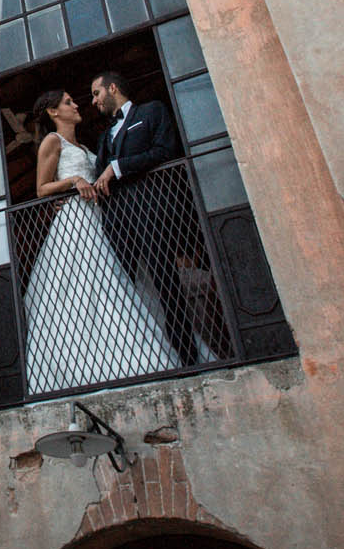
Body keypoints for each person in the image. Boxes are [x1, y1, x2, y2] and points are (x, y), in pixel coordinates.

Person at [20, 89, 174, 393]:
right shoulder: (53, 141)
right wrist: (73, 181)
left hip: (99, 218)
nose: (76, 105)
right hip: (76, 221)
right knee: (88, 287)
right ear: (53, 112)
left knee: (115, 283)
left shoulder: (86, 146)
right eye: (68, 102)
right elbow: (41, 188)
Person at [89, 71, 213, 368]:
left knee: (166, 285)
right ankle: (137, 361)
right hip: (116, 222)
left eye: (96, 93)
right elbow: (98, 176)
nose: (93, 101)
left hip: (151, 212)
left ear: (113, 88)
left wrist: (118, 167)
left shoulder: (151, 111)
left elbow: (165, 151)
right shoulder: (104, 136)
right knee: (124, 289)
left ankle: (187, 359)